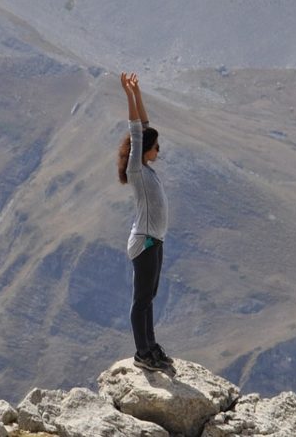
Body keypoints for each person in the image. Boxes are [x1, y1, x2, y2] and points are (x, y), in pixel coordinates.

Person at [118, 72, 175, 372]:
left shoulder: (147, 169)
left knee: (149, 297)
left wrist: (138, 93)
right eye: (155, 148)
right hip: (145, 241)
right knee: (141, 300)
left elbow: (145, 128)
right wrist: (127, 97)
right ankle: (142, 353)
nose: (158, 151)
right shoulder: (137, 170)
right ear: (145, 150)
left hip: (156, 240)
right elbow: (137, 131)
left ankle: (151, 345)